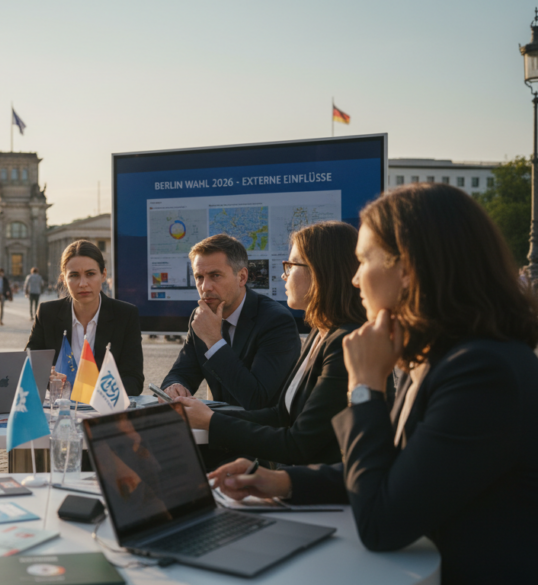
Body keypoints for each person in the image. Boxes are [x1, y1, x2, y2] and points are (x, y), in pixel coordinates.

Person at [209, 184, 538, 584]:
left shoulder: (482, 373)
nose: (354, 279)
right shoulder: (449, 357)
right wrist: (283, 481)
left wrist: (365, 386)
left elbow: (382, 521)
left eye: (364, 260)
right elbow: (402, 470)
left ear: (407, 270)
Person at [177, 222, 368, 466]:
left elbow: (298, 443)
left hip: (314, 480)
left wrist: (211, 421)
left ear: (320, 272)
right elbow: (282, 415)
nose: (283, 275)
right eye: (199, 277)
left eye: (291, 265)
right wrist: (200, 412)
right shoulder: (320, 332)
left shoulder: (344, 342)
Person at [159, 234, 301, 410]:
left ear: (242, 277)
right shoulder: (201, 316)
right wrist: (174, 386)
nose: (205, 287)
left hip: (260, 426)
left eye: (215, 275)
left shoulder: (276, 321)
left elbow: (257, 399)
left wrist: (213, 341)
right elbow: (182, 372)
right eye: (199, 277)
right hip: (217, 423)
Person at [27, 240, 144, 395]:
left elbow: (134, 380)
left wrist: (96, 391)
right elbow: (28, 368)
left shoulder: (125, 315)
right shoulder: (47, 313)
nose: (83, 283)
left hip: (103, 406)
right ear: (63, 279)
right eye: (74, 275)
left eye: (90, 274)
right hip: (61, 406)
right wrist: (48, 378)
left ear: (103, 275)